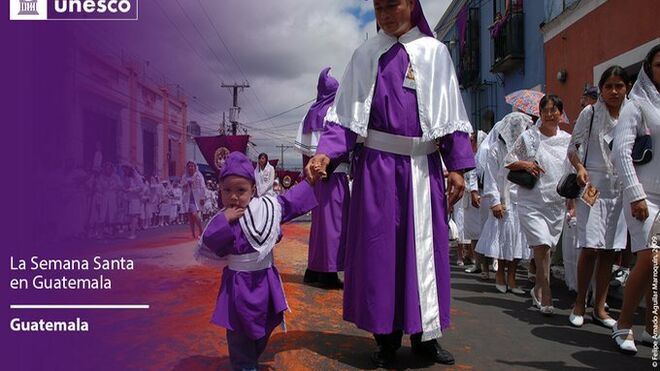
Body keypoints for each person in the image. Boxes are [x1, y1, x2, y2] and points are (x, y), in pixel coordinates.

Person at [306, 0, 474, 366]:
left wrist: (457, 166)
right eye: (378, 7)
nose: (384, 14)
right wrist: (324, 154)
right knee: (380, 254)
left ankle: (425, 337)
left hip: (422, 167)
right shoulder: (366, 54)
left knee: (424, 255)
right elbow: (345, 116)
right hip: (376, 169)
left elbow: (450, 112)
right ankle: (385, 339)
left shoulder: (435, 53)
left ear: (411, 4)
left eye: (392, 5)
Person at [199, 152, 317, 371]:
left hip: (264, 281)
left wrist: (309, 182)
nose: (233, 197)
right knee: (239, 334)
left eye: (241, 190)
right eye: (227, 191)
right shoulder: (224, 217)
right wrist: (225, 220)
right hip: (237, 286)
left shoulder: (267, 210)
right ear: (220, 191)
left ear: (253, 189)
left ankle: (250, 360)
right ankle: (244, 365)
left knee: (263, 328)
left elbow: (289, 202)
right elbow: (210, 240)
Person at [567, 65, 630, 328]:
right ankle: (579, 302)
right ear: (601, 89)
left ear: (626, 87)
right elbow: (573, 148)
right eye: (608, 86)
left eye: (619, 86)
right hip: (592, 186)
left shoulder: (632, 113)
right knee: (590, 247)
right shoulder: (590, 113)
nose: (614, 91)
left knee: (609, 251)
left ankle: (599, 307)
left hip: (621, 188)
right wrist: (580, 167)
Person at [611, 44, 660, 354]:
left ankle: (652, 327)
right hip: (644, 196)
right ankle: (623, 324)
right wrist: (636, 194)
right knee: (651, 259)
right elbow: (620, 152)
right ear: (649, 67)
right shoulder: (637, 104)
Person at [505, 95, 574, 315]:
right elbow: (509, 161)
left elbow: (571, 171)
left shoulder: (567, 139)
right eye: (546, 110)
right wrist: (526, 164)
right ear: (540, 114)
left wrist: (571, 203)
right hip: (531, 201)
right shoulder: (529, 137)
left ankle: (537, 289)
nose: (550, 114)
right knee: (541, 245)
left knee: (548, 250)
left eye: (554, 110)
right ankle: (546, 292)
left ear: (560, 113)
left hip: (556, 202)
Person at [295, 67, 348, 289]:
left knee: (319, 226)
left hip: (315, 178)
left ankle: (314, 269)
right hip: (333, 174)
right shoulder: (334, 112)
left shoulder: (310, 113)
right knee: (335, 226)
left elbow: (305, 152)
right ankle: (328, 272)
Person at [475, 112, 531, 296]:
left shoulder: (525, 148)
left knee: (517, 241)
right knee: (503, 240)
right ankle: (500, 275)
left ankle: (513, 277)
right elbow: (490, 177)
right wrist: (494, 201)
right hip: (503, 199)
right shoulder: (495, 149)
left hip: (520, 198)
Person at [181, 161, 207, 238]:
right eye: (189, 166)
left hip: (197, 198)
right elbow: (182, 186)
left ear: (195, 167)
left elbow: (203, 186)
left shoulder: (199, 175)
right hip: (188, 198)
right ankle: (193, 233)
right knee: (190, 216)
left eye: (192, 166)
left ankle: (201, 229)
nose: (190, 168)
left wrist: (202, 197)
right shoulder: (185, 176)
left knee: (194, 214)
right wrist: (186, 184)